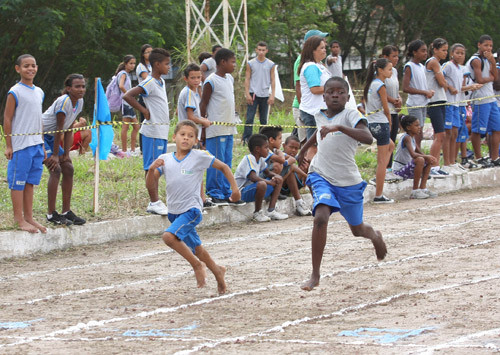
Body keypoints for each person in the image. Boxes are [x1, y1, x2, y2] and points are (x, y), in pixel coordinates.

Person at [298, 77, 387, 291]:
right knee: (320, 217)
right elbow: (318, 133)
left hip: (348, 181)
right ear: (324, 95)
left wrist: (339, 127)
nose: (335, 95)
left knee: (357, 229)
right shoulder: (319, 114)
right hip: (321, 174)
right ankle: (315, 274)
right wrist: (303, 150)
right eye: (331, 92)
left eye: (340, 92)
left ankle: (374, 236)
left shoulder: (351, 114)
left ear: (347, 96)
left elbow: (367, 138)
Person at [146, 121, 237, 294]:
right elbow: (151, 185)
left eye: (190, 136)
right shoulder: (164, 159)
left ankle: (196, 265)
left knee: (168, 237)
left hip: (192, 210)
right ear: (174, 137)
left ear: (195, 140)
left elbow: (224, 167)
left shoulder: (199, 156)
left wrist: (235, 189)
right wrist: (151, 171)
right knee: (198, 249)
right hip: (174, 212)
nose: (186, 138)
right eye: (182, 134)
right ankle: (218, 271)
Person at [123, 48, 171, 216]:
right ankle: (154, 201)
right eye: (166, 64)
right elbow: (128, 96)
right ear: (156, 64)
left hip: (162, 132)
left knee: (159, 168)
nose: (169, 67)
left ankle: (156, 200)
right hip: (152, 131)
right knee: (152, 168)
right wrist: (143, 110)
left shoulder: (161, 82)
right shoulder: (149, 82)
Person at [3, 54, 46, 233]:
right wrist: (9, 144)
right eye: (26, 66)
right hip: (21, 145)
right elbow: (7, 117)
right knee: (18, 182)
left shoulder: (39, 92)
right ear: (18, 69)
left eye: (33, 65)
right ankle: (18, 219)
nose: (30, 69)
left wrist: (42, 144)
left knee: (30, 182)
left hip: (36, 144)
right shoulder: (15, 91)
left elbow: (39, 119)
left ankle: (29, 217)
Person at [200, 48, 244, 206]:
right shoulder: (211, 80)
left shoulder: (229, 79)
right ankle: (214, 192)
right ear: (222, 62)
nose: (234, 65)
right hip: (216, 129)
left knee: (226, 160)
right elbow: (203, 104)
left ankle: (227, 191)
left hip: (228, 127)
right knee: (216, 160)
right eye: (232, 62)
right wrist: (203, 128)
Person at [42, 73, 87, 226]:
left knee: (68, 167)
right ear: (68, 88)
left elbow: (68, 129)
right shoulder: (63, 102)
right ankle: (51, 214)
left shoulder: (79, 102)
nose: (81, 89)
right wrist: (55, 155)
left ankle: (66, 211)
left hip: (54, 137)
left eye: (83, 86)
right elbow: (58, 130)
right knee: (56, 169)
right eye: (77, 86)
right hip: (42, 136)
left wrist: (66, 154)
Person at [177, 63, 215, 209]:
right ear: (186, 78)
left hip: (194, 135)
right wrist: (204, 121)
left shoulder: (194, 93)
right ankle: (197, 198)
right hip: (188, 135)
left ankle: (201, 198)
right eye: (193, 78)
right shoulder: (188, 93)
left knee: (196, 167)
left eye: (198, 77)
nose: (196, 80)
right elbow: (191, 116)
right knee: (192, 168)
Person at [234, 134, 288, 222]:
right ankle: (257, 212)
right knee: (262, 184)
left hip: (253, 189)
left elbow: (267, 172)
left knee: (278, 179)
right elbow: (253, 177)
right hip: (242, 192)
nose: (268, 150)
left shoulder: (260, 159)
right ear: (257, 149)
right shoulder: (249, 158)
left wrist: (276, 177)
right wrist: (270, 182)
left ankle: (271, 210)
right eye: (266, 147)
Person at [259, 126, 311, 216]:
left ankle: (299, 203)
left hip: (272, 182)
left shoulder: (274, 150)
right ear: (271, 140)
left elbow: (291, 160)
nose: (281, 141)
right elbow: (284, 161)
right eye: (280, 138)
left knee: (290, 167)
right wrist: (286, 161)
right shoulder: (267, 152)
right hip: (263, 184)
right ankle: (274, 207)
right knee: (280, 166)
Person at [364, 58, 395, 203]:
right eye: (389, 69)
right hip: (381, 123)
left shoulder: (370, 84)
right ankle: (379, 195)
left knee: (391, 145)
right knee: (382, 161)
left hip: (371, 122)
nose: (391, 72)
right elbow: (386, 108)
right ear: (380, 70)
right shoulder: (381, 86)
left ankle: (380, 177)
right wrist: (390, 121)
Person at [466, 35, 500, 167]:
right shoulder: (476, 60)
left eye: (490, 46)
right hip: (480, 98)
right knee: (478, 130)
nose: (488, 48)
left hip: (490, 98)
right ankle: (479, 157)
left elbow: (495, 76)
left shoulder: (488, 60)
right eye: (486, 45)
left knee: (496, 128)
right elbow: (480, 79)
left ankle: (494, 157)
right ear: (479, 45)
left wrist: (492, 61)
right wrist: (491, 77)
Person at [292, 30, 329, 144]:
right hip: (312, 111)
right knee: (312, 144)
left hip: (318, 110)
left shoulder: (319, 65)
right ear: (313, 49)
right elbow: (313, 89)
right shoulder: (310, 66)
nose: (325, 49)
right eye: (321, 47)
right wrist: (333, 88)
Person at [442, 43, 472, 172]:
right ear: (452, 54)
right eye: (458, 53)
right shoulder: (447, 66)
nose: (460, 55)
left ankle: (453, 162)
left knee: (455, 132)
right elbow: (439, 77)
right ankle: (446, 163)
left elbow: (460, 87)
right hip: (448, 103)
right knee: (448, 133)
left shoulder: (461, 69)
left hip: (456, 103)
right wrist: (449, 87)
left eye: (462, 53)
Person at [425, 38, 453, 177]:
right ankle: (431, 166)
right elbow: (442, 82)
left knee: (440, 135)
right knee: (439, 135)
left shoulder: (438, 64)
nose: (445, 53)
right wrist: (447, 83)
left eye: (446, 50)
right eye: (443, 50)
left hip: (441, 100)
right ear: (435, 49)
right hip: (434, 102)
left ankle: (435, 165)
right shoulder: (433, 62)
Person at [393, 115, 438, 199]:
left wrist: (429, 157)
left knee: (428, 160)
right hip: (399, 170)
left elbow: (420, 152)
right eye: (416, 125)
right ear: (408, 127)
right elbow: (413, 155)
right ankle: (415, 191)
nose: (419, 127)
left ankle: (423, 188)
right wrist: (426, 156)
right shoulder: (406, 138)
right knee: (420, 160)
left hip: (407, 168)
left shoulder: (412, 138)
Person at [402, 39, 434, 150]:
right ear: (415, 52)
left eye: (426, 51)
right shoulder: (409, 66)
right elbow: (406, 88)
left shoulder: (421, 66)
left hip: (423, 103)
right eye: (423, 51)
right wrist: (424, 92)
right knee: (416, 131)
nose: (425, 53)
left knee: (420, 130)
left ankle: (418, 152)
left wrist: (428, 91)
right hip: (415, 103)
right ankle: (415, 153)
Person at [242, 41, 276, 144]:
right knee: (249, 118)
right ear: (256, 50)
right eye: (259, 50)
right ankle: (246, 138)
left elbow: (273, 80)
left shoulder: (270, 64)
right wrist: (247, 93)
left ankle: (263, 139)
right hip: (253, 93)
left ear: (266, 51)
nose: (261, 52)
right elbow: (247, 78)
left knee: (263, 119)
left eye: (263, 50)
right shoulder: (251, 63)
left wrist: (272, 95)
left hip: (265, 94)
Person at [381, 45, 402, 173]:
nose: (396, 59)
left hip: (394, 110)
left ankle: (389, 167)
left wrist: (398, 98)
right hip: (385, 110)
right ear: (385, 57)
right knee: (386, 141)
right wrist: (391, 100)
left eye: (397, 56)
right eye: (393, 56)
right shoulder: (380, 73)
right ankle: (384, 168)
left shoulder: (394, 71)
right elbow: (381, 91)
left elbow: (395, 88)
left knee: (393, 139)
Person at [115, 55, 139, 156]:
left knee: (136, 127)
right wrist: (129, 94)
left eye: (134, 63)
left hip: (128, 104)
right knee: (127, 127)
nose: (133, 65)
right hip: (126, 103)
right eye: (131, 63)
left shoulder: (125, 74)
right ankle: (125, 151)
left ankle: (132, 150)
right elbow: (121, 86)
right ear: (125, 64)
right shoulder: (123, 74)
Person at [136, 44, 153, 152]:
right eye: (147, 52)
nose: (150, 54)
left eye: (151, 51)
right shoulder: (141, 67)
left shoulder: (152, 66)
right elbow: (148, 79)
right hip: (144, 97)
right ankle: (143, 148)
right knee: (144, 122)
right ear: (143, 54)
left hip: (152, 97)